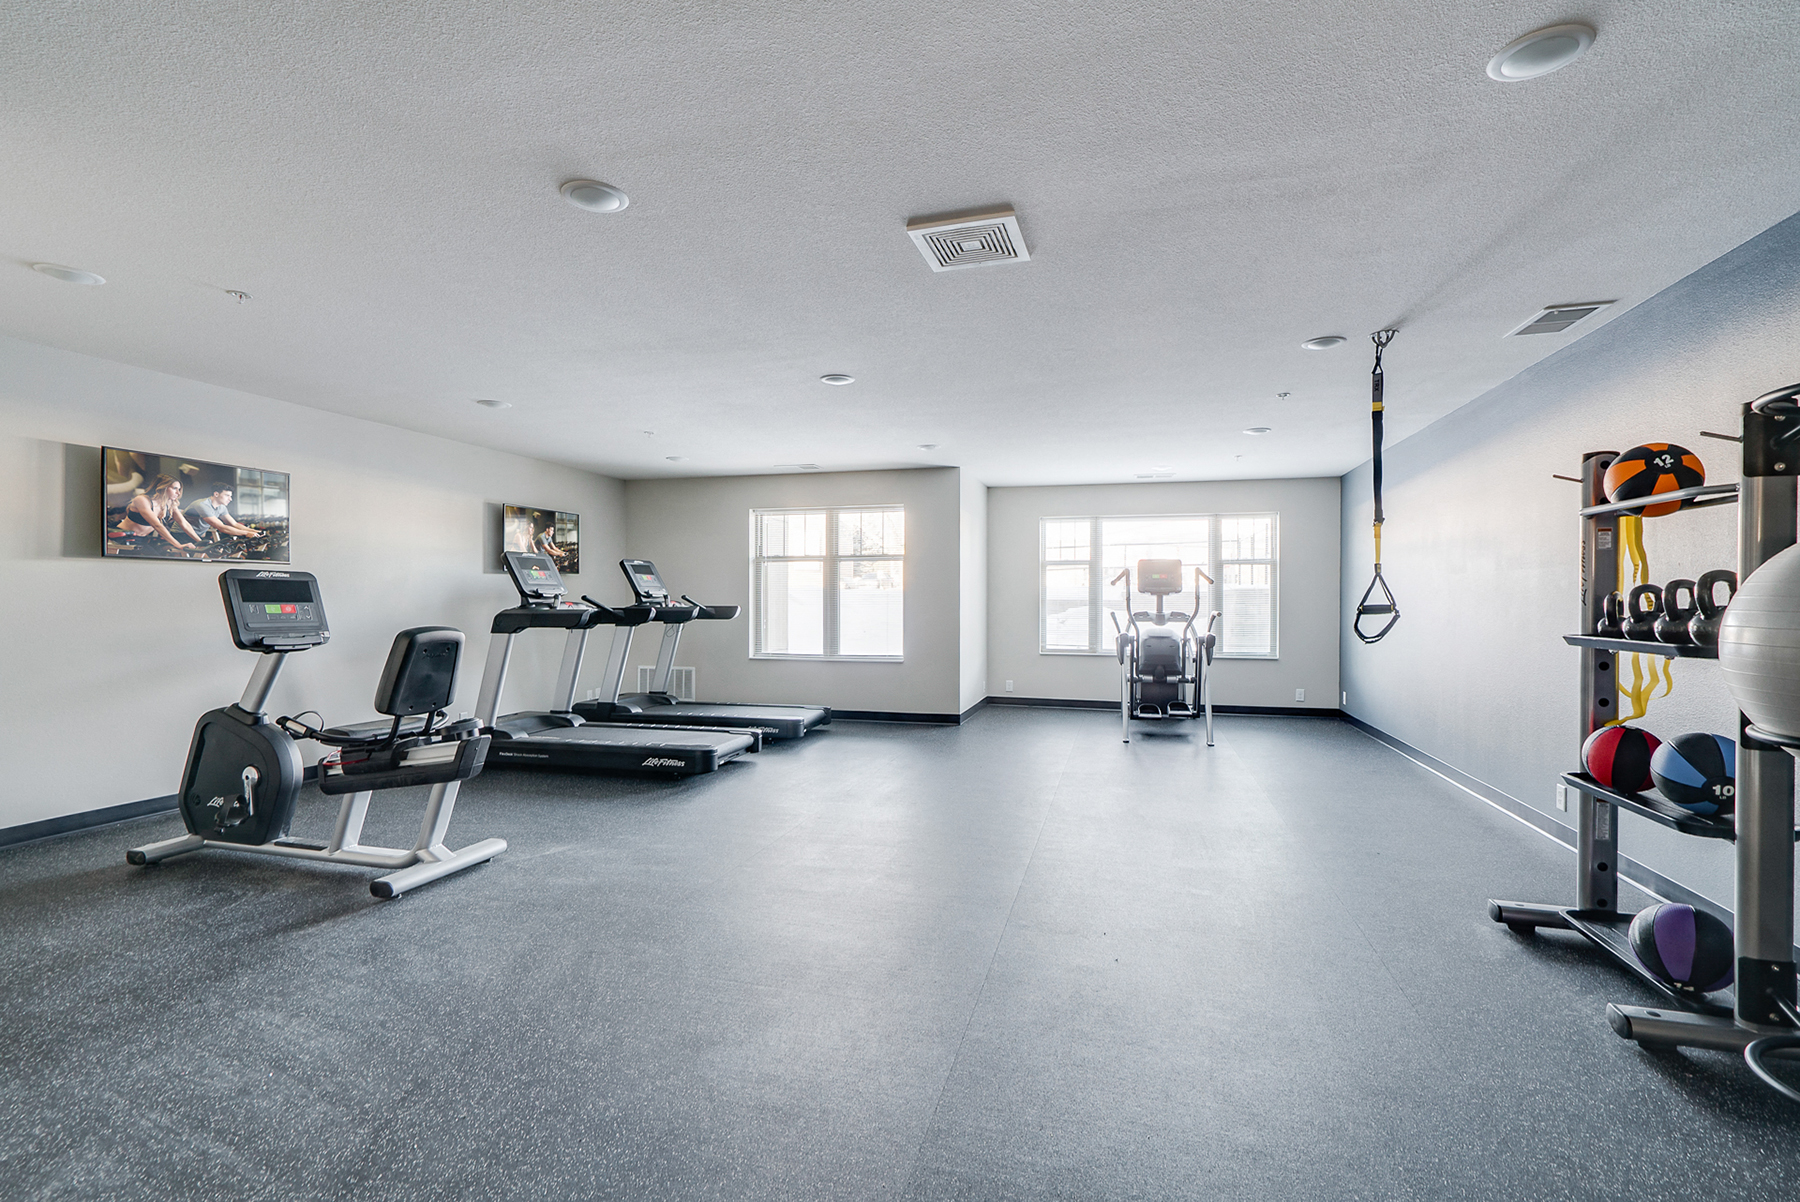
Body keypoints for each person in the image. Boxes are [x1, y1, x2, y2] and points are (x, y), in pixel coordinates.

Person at [115, 475, 205, 554]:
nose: (178, 493)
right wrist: (178, 545)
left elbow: (184, 524)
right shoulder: (142, 500)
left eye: (179, 489)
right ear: (163, 487)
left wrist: (201, 542)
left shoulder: (170, 504)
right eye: (174, 488)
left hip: (142, 540)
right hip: (123, 538)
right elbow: (157, 525)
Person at [186, 483, 261, 543]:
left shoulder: (221, 507)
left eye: (230, 496)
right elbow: (221, 527)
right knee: (213, 555)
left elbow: (234, 524)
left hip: (197, 536)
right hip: (182, 535)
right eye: (227, 495)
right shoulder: (203, 505)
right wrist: (246, 533)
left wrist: (255, 531)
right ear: (216, 494)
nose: (230, 499)